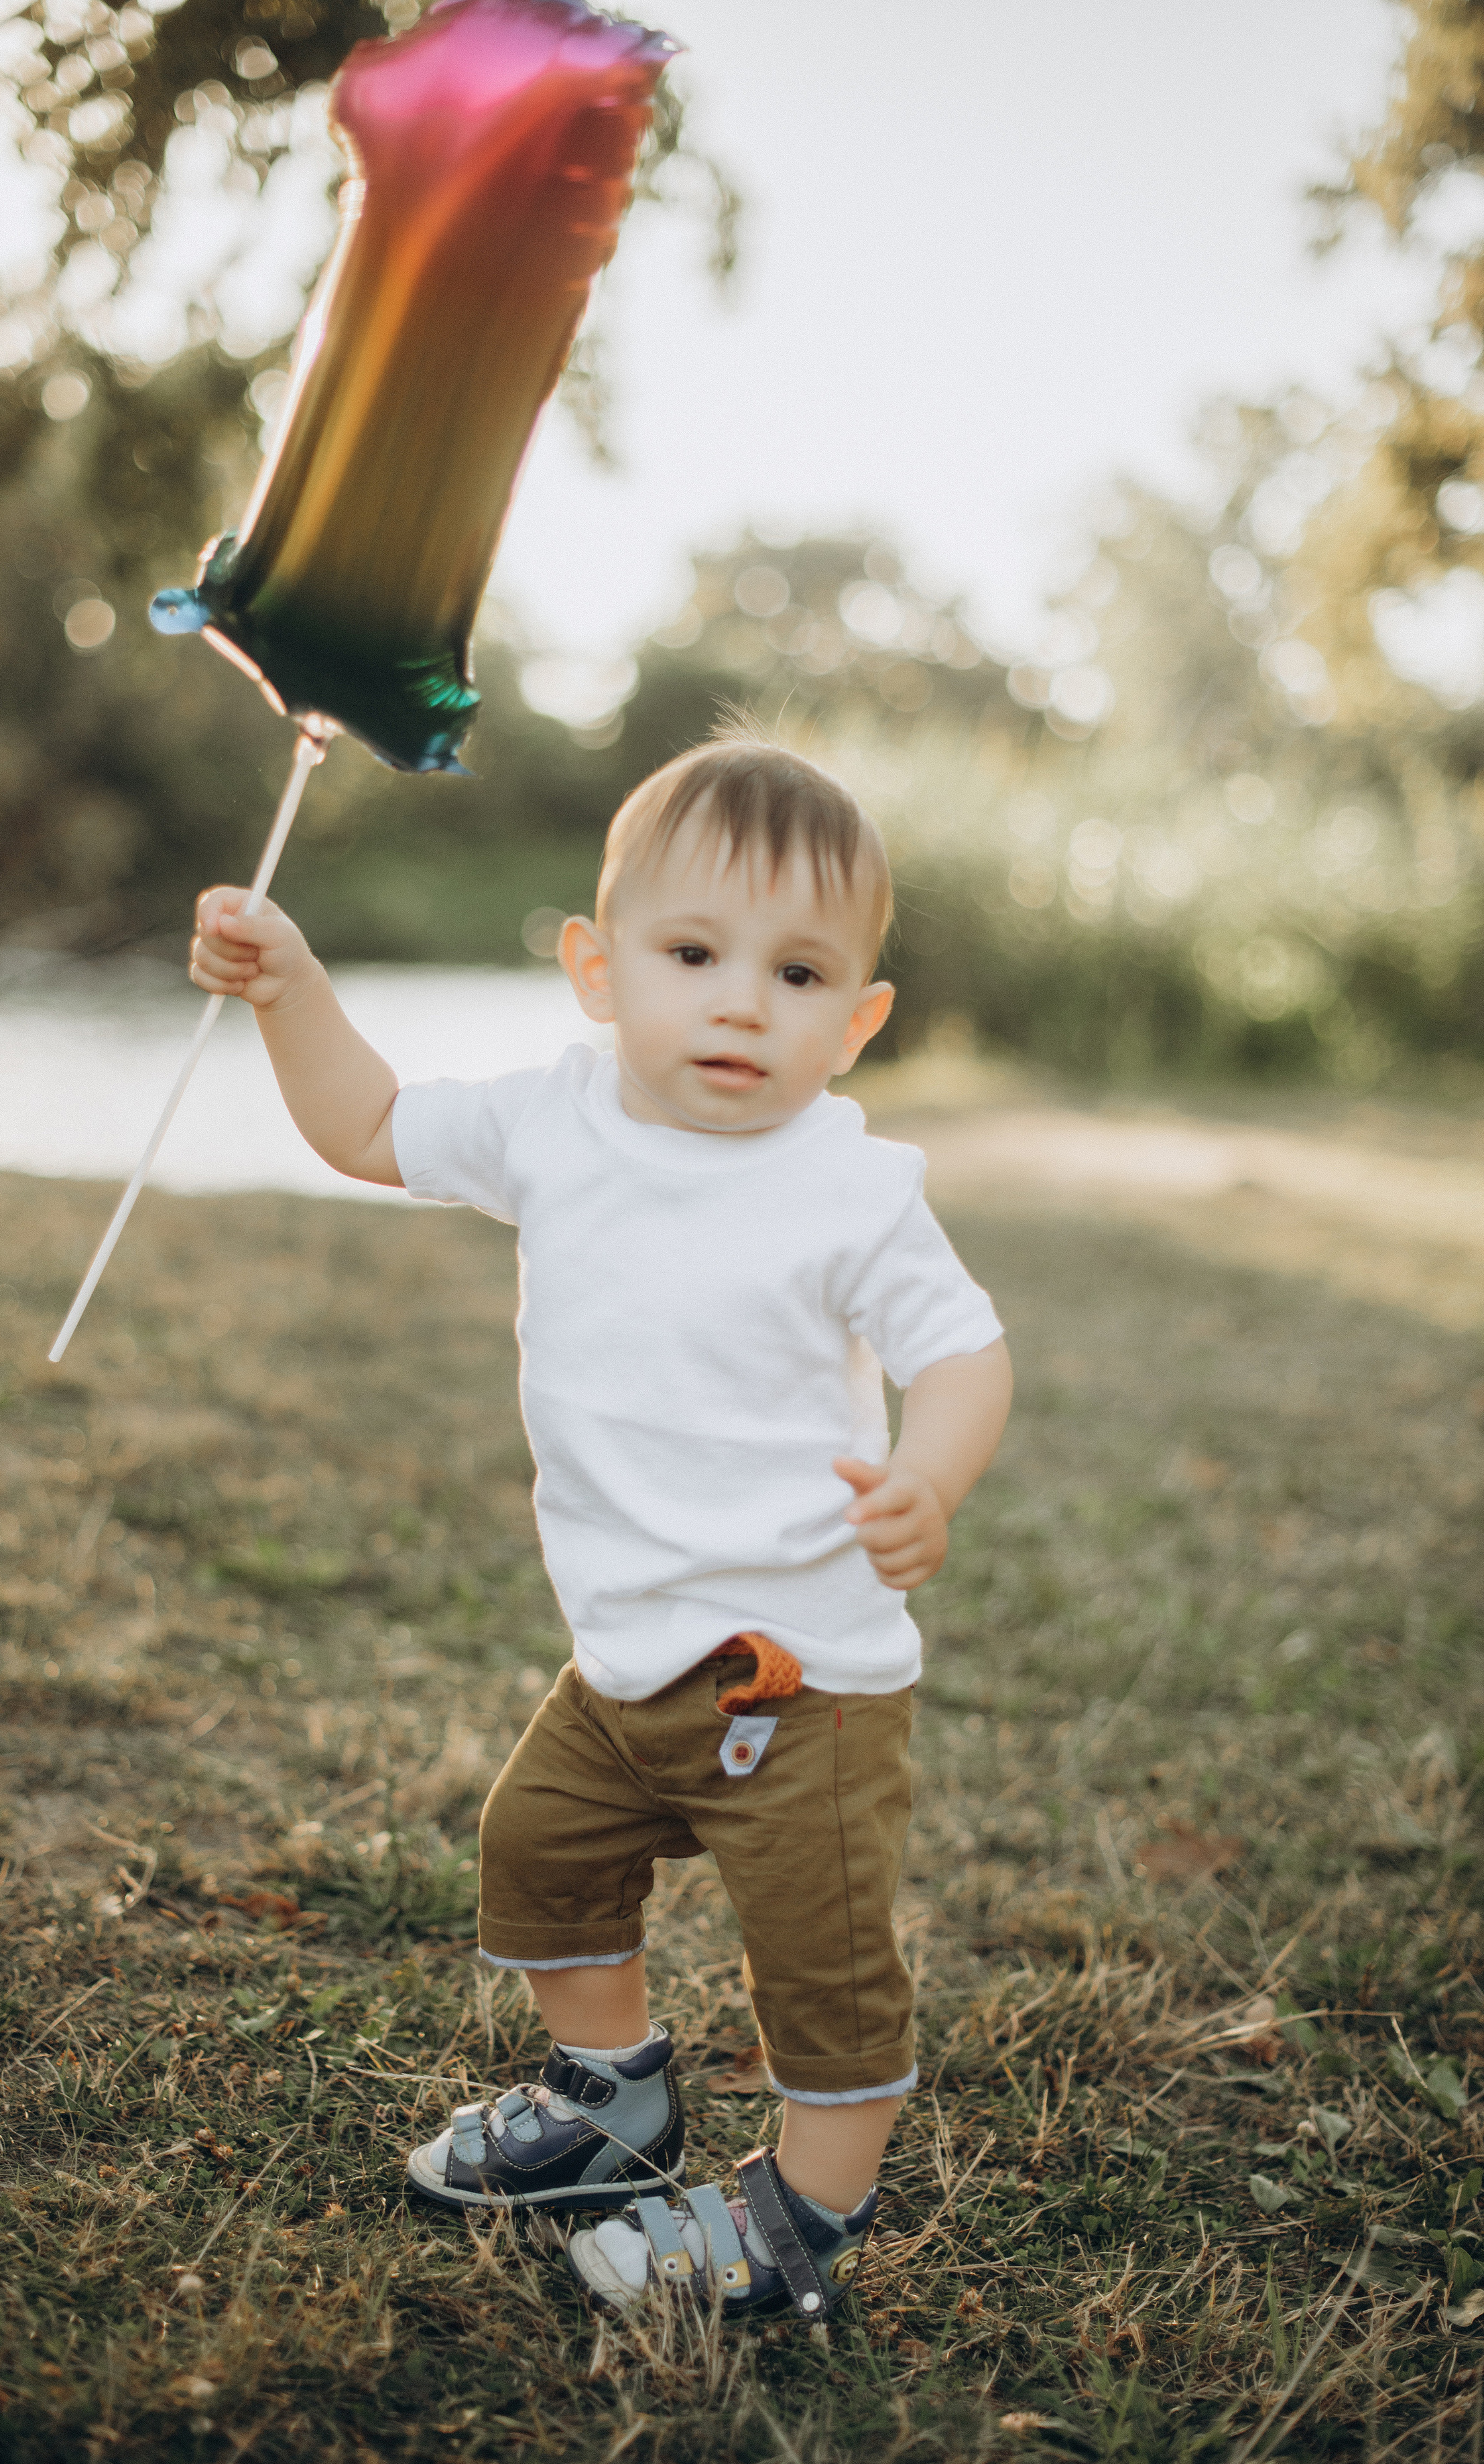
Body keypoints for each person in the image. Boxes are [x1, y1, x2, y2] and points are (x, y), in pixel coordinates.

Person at [189, 723, 1012, 2321]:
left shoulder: (851, 1187)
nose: (735, 1000)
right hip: (623, 1663)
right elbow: (366, 1129)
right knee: (540, 1854)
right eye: (692, 951)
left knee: (822, 1972)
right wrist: (290, 991)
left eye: (794, 975)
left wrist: (932, 1474)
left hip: (801, 1681)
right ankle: (608, 2096)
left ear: (854, 1023)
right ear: (593, 966)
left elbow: (961, 1352)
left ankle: (799, 2229)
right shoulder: (552, 1123)